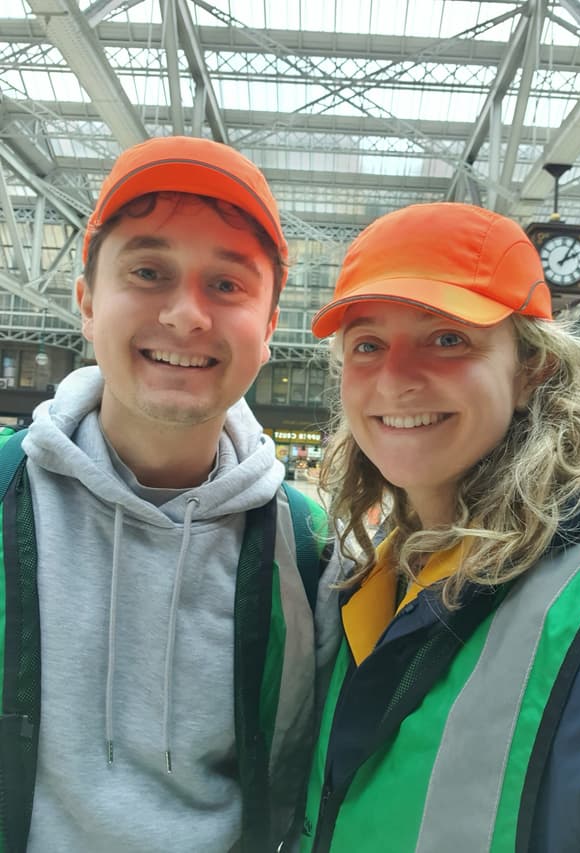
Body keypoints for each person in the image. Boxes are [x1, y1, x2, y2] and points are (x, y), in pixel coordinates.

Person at [0, 136, 338, 853]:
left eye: (227, 284)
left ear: (271, 325)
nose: (187, 315)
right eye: (149, 271)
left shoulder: (308, 553)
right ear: (87, 301)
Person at [301, 202, 580, 852]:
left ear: (531, 370)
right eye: (367, 344)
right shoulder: (376, 579)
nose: (395, 379)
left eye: (447, 338)